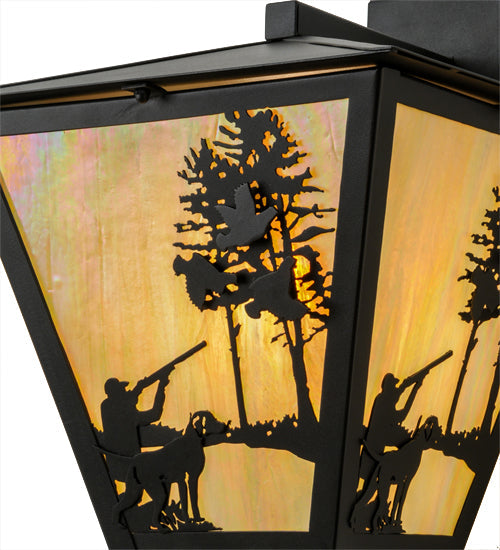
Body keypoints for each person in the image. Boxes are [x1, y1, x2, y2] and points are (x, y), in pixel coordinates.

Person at [100, 375, 169, 480]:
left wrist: (139, 388)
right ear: (117, 394)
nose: (125, 391)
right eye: (122, 390)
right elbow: (154, 414)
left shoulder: (107, 406)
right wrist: (161, 387)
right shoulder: (122, 411)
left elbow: (126, 399)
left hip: (118, 464)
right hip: (129, 466)